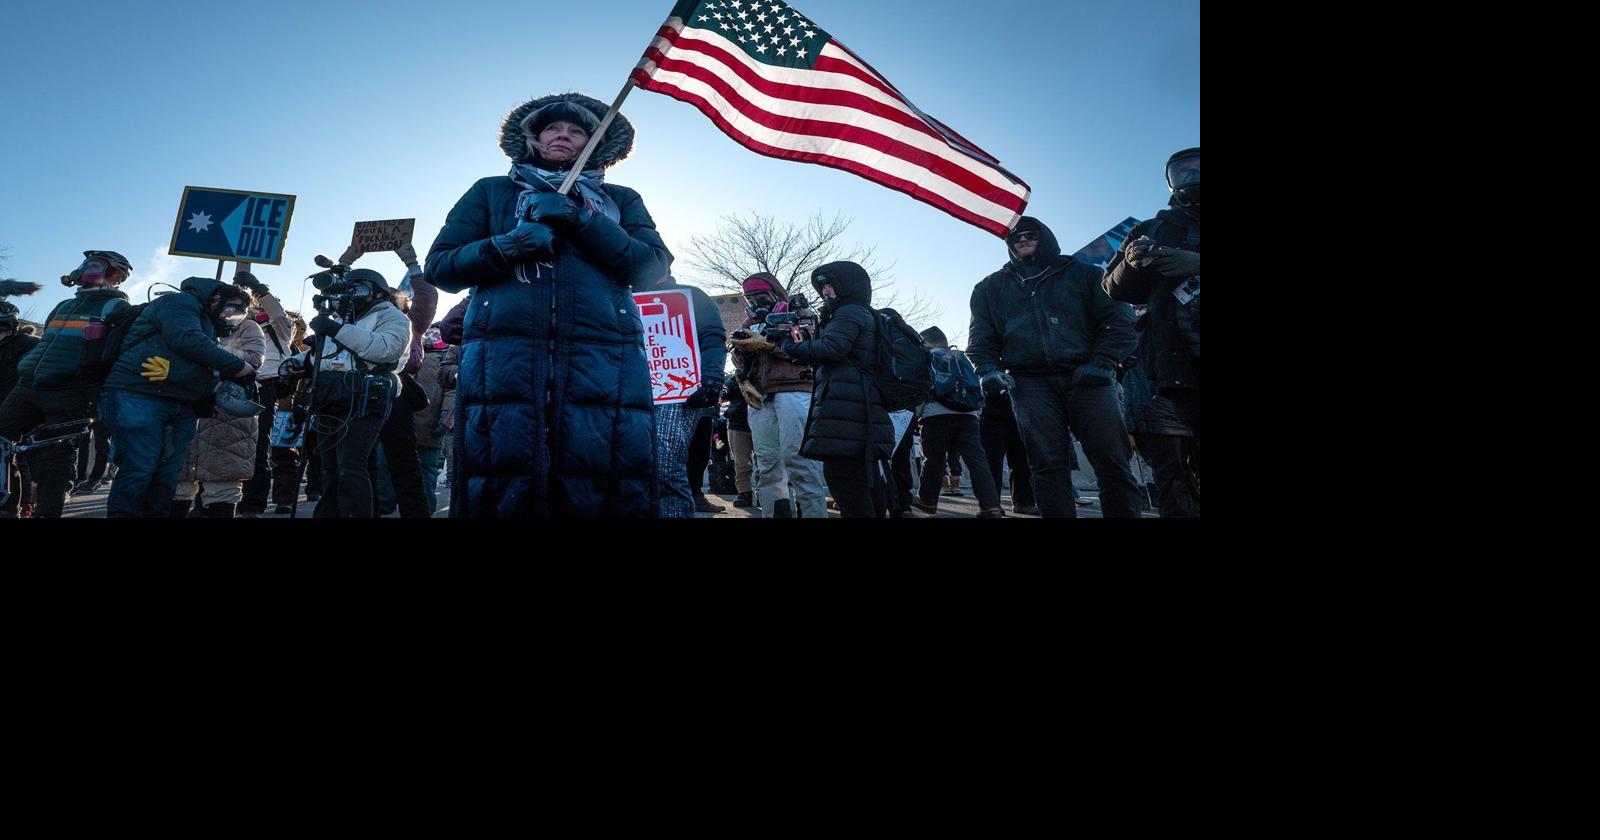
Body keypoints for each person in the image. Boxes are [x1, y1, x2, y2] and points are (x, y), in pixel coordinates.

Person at [425, 92, 670, 518]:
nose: (562, 135)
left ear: (593, 143)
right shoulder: (491, 192)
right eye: (552, 128)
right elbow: (441, 267)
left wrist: (582, 220)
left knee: (600, 477)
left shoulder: (621, 199)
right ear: (533, 138)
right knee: (503, 480)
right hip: (504, 361)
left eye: (576, 130)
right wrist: (512, 244)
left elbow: (651, 267)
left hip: (604, 361)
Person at [967, 217, 1143, 518]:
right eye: (1015, 237)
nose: (1022, 239)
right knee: (1046, 464)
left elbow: (1121, 322)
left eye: (1030, 234)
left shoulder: (1085, 274)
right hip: (1028, 382)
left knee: (1112, 460)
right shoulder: (989, 287)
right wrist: (987, 370)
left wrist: (1102, 363)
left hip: (1088, 376)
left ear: (1045, 236)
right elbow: (981, 338)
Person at [100, 277, 256, 518]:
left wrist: (196, 381)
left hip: (180, 401)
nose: (230, 318)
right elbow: (187, 340)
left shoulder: (207, 324)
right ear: (216, 298)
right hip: (139, 393)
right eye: (231, 309)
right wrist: (238, 367)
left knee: (167, 475)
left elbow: (198, 365)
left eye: (237, 315)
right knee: (139, 467)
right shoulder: (180, 302)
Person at [0, 251, 132, 517]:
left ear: (115, 275)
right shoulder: (63, 305)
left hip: (70, 392)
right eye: (86, 264)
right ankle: (8, 508)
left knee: (55, 458)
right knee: (2, 441)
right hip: (29, 386)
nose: (85, 268)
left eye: (94, 265)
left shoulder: (116, 307)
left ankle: (47, 513)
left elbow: (116, 351)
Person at [280, 269, 410, 518]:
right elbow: (330, 356)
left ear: (378, 293)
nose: (351, 295)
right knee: (330, 466)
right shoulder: (342, 318)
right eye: (347, 289)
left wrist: (336, 329)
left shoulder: (393, 316)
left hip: (365, 397)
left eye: (359, 289)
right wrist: (298, 362)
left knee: (350, 465)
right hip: (330, 395)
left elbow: (386, 349)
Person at [775, 262, 895, 518]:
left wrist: (790, 346)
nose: (825, 291)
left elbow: (832, 348)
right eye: (822, 287)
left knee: (844, 479)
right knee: (864, 480)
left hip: (848, 409)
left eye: (830, 285)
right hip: (858, 407)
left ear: (848, 285)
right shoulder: (862, 312)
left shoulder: (849, 312)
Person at [1103, 147, 1201, 446]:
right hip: (1178, 361)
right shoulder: (1149, 229)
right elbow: (1112, 287)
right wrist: (1131, 264)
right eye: (1184, 172)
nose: (1193, 176)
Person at [730, 273, 826, 519]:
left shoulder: (801, 314)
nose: (756, 303)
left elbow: (807, 351)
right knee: (767, 463)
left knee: (799, 460)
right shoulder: (749, 323)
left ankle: (812, 512)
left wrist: (768, 345)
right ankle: (775, 513)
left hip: (794, 390)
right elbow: (738, 362)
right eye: (750, 299)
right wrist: (741, 353)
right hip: (760, 396)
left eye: (760, 297)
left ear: (775, 293)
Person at [170, 300, 266, 518]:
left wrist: (205, 351)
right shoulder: (191, 322)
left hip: (227, 408)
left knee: (222, 479)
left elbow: (254, 358)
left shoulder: (247, 326)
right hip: (189, 403)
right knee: (179, 481)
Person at [646, 273, 726, 518]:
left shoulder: (692, 296)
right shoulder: (619, 292)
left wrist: (711, 378)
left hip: (678, 391)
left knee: (666, 465)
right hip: (631, 389)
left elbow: (712, 337)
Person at [910, 327, 1004, 518]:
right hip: (968, 415)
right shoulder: (961, 357)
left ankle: (927, 500)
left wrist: (916, 415)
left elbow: (922, 387)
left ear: (926, 342)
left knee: (933, 461)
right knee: (978, 463)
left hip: (936, 415)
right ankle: (991, 505)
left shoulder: (927, 357)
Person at [232, 272, 298, 516]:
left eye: (265, 302)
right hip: (236, 386)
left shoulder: (281, 328)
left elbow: (277, 313)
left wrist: (257, 287)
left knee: (260, 447)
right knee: (229, 444)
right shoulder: (240, 327)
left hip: (265, 388)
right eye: (256, 303)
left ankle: (252, 504)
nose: (260, 307)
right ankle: (220, 501)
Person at [1, 297, 41, 518]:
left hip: (17, 407)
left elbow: (32, 374)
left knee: (13, 457)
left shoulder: (29, 344)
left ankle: (17, 505)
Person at [978, 385, 1037, 516]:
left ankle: (1023, 502)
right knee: (992, 462)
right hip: (991, 412)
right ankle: (991, 504)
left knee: (1023, 461)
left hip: (1020, 412)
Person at [723, 374, 754, 507]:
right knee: (741, 462)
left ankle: (765, 494)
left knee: (766, 462)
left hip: (759, 421)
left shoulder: (764, 374)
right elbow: (723, 395)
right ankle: (744, 493)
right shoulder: (733, 380)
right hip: (737, 424)